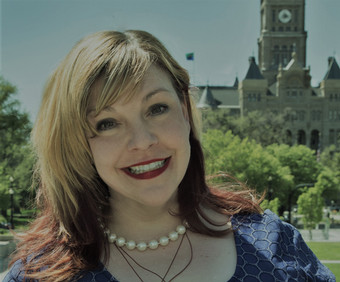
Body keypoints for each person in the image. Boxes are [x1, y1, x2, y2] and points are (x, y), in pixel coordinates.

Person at [5, 30, 335, 282]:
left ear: (186, 111)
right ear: (75, 141)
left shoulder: (274, 246)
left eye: (157, 108)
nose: (143, 141)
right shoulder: (41, 274)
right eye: (107, 123)